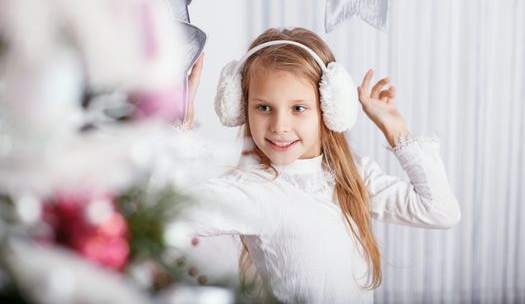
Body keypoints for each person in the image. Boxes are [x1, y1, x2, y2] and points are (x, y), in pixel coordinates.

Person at [182, 27, 461, 303]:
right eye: (263, 107)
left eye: (298, 108)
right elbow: (175, 212)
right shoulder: (254, 189)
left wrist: (395, 129)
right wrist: (180, 126)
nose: (279, 126)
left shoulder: (352, 175)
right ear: (241, 108)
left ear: (329, 108)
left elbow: (440, 211)